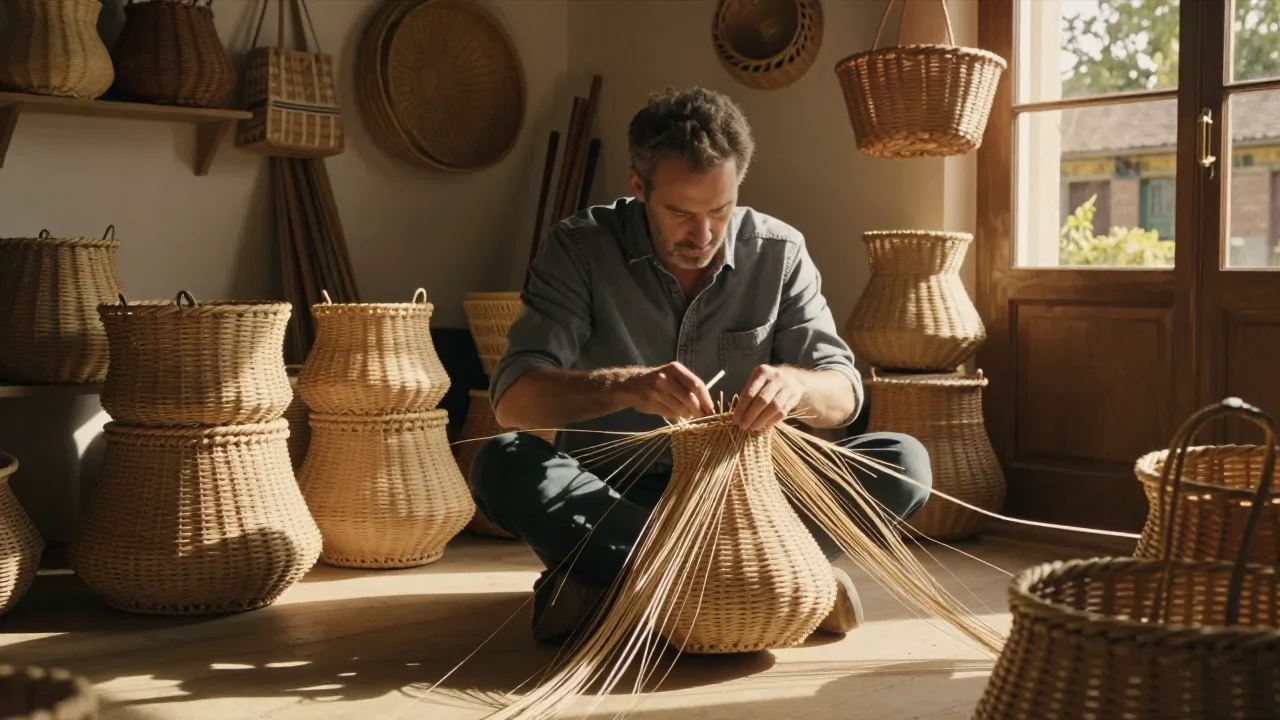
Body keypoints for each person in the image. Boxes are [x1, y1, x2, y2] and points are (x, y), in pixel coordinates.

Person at [468, 86, 932, 644]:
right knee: (502, 463)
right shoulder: (580, 249)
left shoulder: (778, 251)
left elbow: (844, 395)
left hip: (751, 504)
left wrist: (795, 385)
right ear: (638, 187)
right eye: (681, 213)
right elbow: (514, 398)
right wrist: (627, 386)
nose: (704, 234)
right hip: (612, 497)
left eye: (721, 209)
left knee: (905, 462)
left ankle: (613, 589)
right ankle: (774, 585)